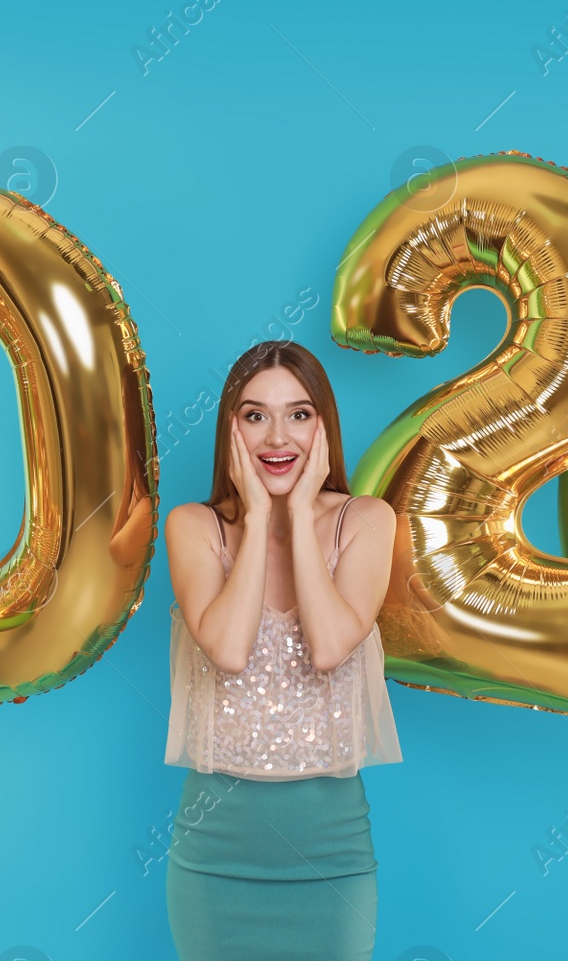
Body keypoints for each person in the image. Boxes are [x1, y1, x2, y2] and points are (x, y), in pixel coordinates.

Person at [163, 340, 403, 960]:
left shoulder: (367, 521)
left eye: (299, 414)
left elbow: (329, 647)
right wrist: (258, 516)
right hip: (214, 859)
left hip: (333, 857)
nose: (278, 436)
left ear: (324, 425)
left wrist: (297, 511)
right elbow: (228, 649)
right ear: (230, 429)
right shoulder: (195, 527)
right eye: (254, 415)